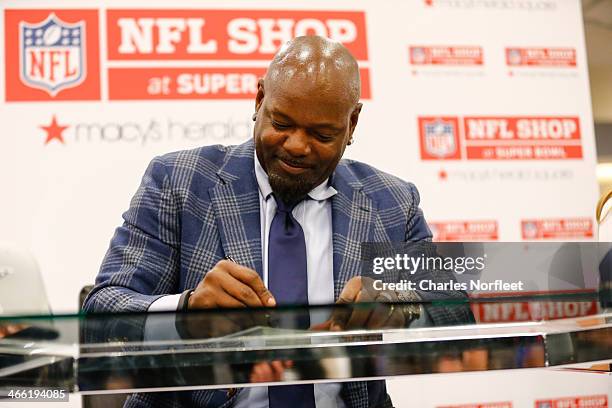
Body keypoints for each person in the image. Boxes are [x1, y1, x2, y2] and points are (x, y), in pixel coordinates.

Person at [84, 36, 470, 408]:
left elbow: (454, 313)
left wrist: (401, 307)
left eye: (322, 134)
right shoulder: (180, 180)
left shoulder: (391, 201)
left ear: (352, 123)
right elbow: (101, 314)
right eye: (282, 123)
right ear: (259, 99)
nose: (297, 145)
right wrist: (187, 315)